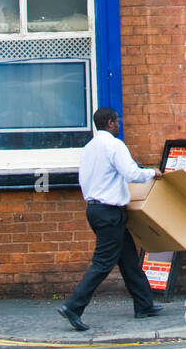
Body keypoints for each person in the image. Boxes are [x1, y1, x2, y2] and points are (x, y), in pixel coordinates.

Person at [57, 107, 164, 331]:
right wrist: (152, 173)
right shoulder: (114, 145)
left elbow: (85, 180)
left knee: (127, 259)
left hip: (95, 210)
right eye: (117, 121)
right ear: (109, 122)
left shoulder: (88, 148)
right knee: (103, 263)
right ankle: (73, 307)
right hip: (109, 212)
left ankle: (144, 305)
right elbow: (132, 174)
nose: (119, 124)